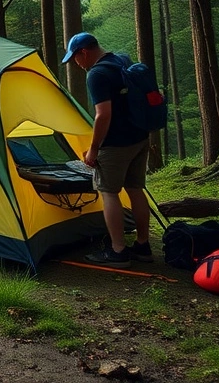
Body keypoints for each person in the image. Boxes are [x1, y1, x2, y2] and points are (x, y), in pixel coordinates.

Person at [62, 32, 152, 268]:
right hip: (140, 137)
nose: (76, 64)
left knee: (108, 192)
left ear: (84, 52)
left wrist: (93, 149)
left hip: (115, 144)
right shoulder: (122, 60)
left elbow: (103, 115)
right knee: (135, 189)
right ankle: (143, 245)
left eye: (75, 59)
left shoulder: (97, 74)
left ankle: (118, 250)